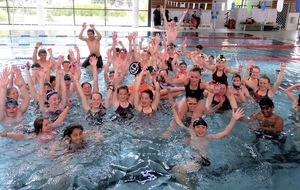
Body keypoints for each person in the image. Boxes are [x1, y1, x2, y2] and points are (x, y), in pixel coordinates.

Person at [171, 103, 244, 188]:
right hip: (193, 159)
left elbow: (225, 133)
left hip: (201, 161)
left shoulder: (208, 137)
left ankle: (190, 188)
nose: (200, 130)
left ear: (206, 128)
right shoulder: (192, 134)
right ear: (194, 128)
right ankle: (192, 186)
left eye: (203, 127)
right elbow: (179, 123)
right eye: (198, 127)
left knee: (176, 169)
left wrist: (234, 119)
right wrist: (174, 110)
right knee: (182, 173)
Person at [0, 102, 71, 140]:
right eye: (46, 125)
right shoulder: (36, 134)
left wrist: (68, 107)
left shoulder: (51, 127)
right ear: (40, 129)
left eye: (49, 123)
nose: (49, 125)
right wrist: (7, 134)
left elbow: (59, 119)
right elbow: (22, 136)